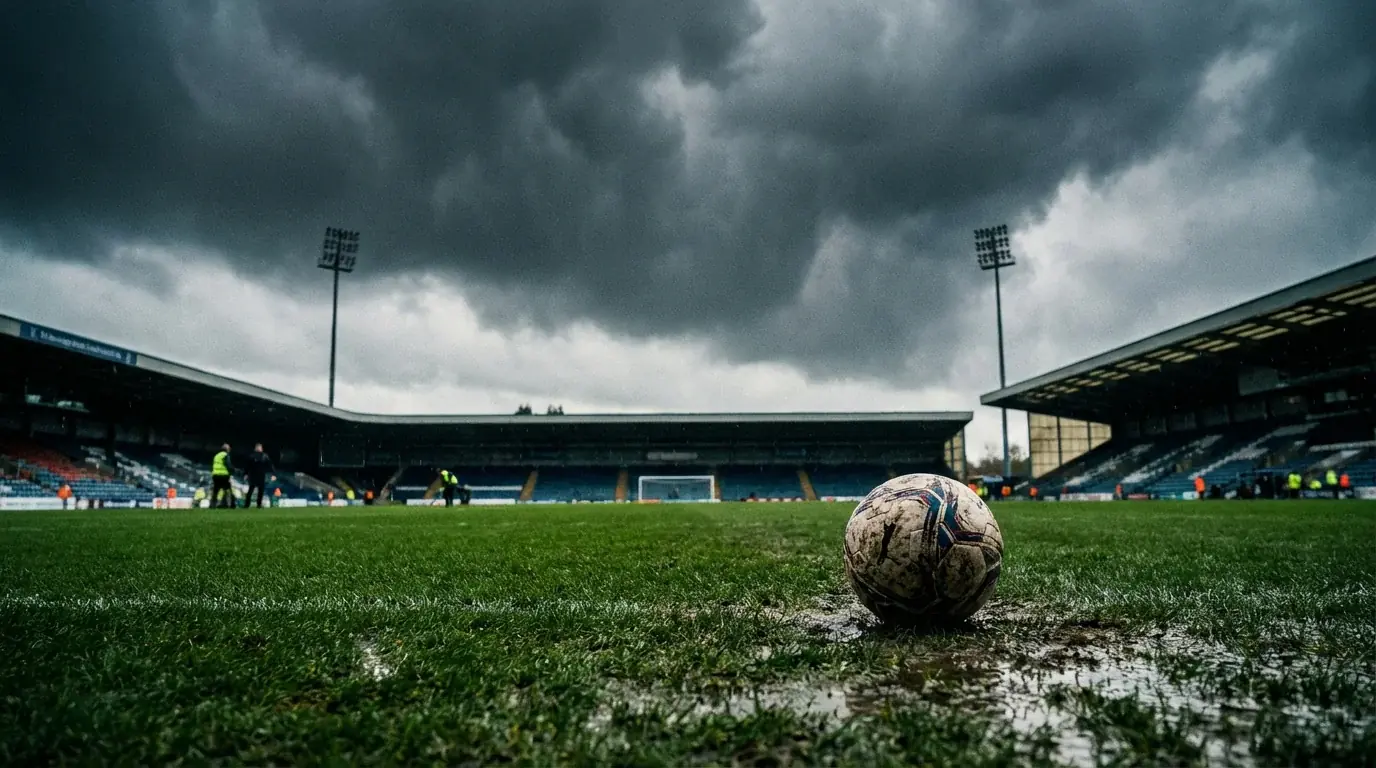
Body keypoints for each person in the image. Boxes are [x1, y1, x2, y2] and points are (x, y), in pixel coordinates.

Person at [244, 443, 275, 509]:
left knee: (252, 490)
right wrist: (273, 473)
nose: (259, 449)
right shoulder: (263, 456)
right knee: (258, 491)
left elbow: (247, 466)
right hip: (258, 475)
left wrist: (246, 474)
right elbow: (270, 465)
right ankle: (257, 505)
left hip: (254, 475)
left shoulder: (252, 456)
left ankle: (248, 505)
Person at [211, 444, 234, 508]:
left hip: (215, 475)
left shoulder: (217, 455)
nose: (229, 450)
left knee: (215, 491)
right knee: (228, 490)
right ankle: (230, 505)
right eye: (229, 448)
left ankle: (212, 505)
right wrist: (233, 470)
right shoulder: (226, 455)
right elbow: (228, 465)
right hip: (223, 476)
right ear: (227, 449)